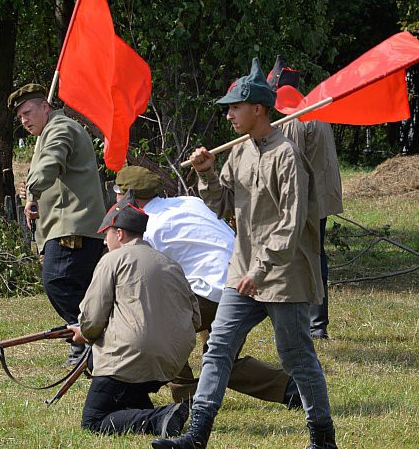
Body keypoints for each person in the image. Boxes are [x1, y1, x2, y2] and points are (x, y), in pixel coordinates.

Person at [152, 58, 339, 449]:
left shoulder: (287, 156)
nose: (229, 114)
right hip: (244, 273)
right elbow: (218, 207)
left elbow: (291, 225)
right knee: (218, 349)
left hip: (283, 274)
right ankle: (196, 439)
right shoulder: (238, 154)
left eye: (236, 106)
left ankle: (323, 442)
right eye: (228, 107)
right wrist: (206, 173)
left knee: (296, 356)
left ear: (259, 108)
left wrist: (261, 269)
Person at [114, 165, 300, 408]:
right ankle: (294, 390)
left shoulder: (149, 228)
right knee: (221, 360)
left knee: (160, 330)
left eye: (118, 192)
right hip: (249, 279)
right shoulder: (189, 202)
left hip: (215, 288)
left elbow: (146, 281)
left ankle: (185, 396)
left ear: (130, 198)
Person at [69, 199, 200, 436]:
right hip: (172, 360)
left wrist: (85, 335)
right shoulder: (170, 263)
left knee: (93, 421)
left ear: (119, 234)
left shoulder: (112, 259)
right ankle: (157, 414)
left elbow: (92, 317)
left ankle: (160, 417)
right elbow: (196, 318)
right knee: (128, 396)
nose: (105, 241)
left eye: (106, 235)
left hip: (130, 357)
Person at [10, 83, 108, 366]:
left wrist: (32, 191)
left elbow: (48, 164)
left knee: (58, 281)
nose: (25, 120)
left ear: (46, 106)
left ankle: (89, 341)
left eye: (28, 112)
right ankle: (91, 344)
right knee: (79, 287)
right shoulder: (48, 132)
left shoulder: (60, 129)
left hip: (72, 225)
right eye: (20, 117)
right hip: (68, 225)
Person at [268, 59, 344, 338]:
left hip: (305, 201)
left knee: (303, 260)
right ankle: (314, 325)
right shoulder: (311, 110)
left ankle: (312, 325)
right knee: (313, 256)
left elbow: (291, 165)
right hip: (318, 199)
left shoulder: (292, 118)